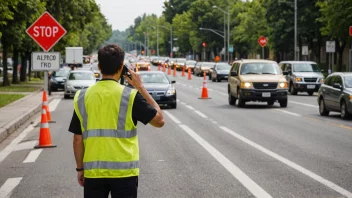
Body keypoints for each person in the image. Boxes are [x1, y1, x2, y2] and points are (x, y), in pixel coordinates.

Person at [68, 44, 164, 198]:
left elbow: (77, 139)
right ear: (121, 67)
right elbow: (159, 121)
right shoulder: (130, 96)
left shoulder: (82, 96)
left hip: (94, 173)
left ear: (99, 67)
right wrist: (141, 88)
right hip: (124, 173)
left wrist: (80, 169)